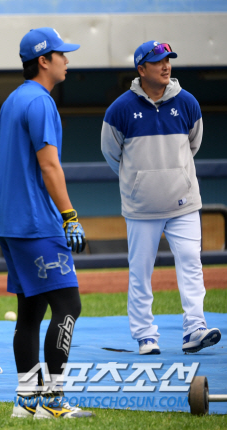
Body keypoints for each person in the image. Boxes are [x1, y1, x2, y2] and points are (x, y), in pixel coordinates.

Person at [0, 28, 94, 419]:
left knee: (31, 311)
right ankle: (54, 399)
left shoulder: (12, 101)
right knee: (69, 304)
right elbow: (48, 163)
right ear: (43, 60)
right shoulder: (41, 103)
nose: (67, 60)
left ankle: (26, 401)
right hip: (39, 223)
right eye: (61, 54)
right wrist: (69, 215)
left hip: (12, 224)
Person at [101, 41, 221, 356]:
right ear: (141, 69)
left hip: (184, 203)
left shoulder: (188, 103)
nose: (166, 66)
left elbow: (193, 145)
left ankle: (195, 329)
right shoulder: (120, 109)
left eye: (168, 60)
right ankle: (145, 336)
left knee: (191, 263)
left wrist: (173, 177)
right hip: (141, 208)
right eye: (158, 62)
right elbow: (111, 154)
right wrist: (140, 182)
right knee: (140, 271)